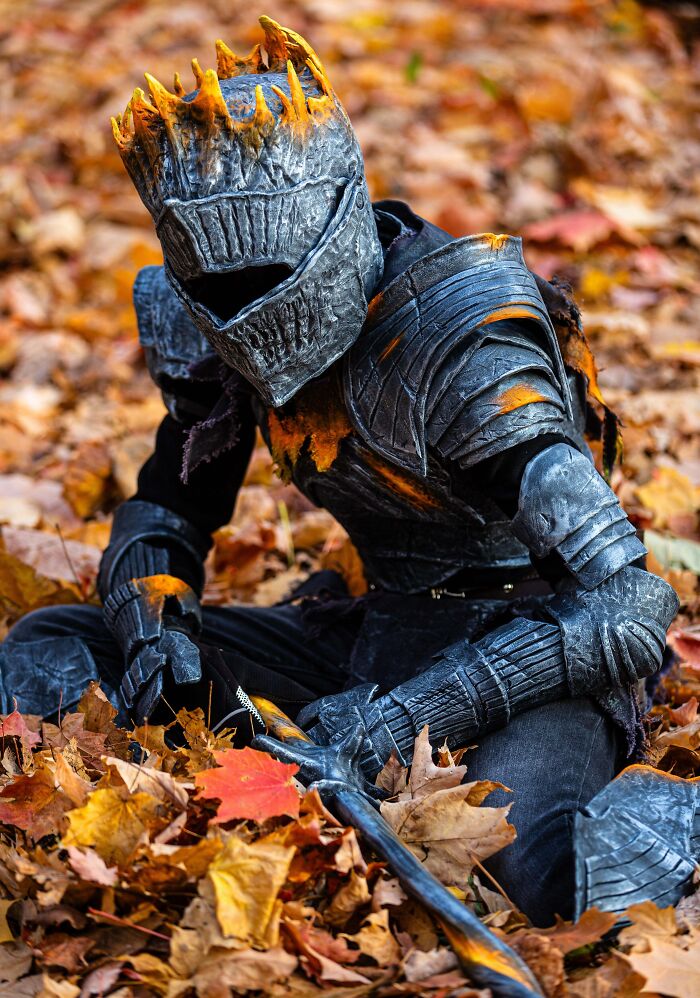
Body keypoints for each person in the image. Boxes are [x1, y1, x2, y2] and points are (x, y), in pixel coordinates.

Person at [0, 17, 678, 925]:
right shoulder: (200, 316)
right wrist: (158, 629)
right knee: (55, 649)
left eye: (268, 276)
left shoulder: (460, 335)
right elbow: (171, 507)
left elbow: (630, 607)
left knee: (554, 873)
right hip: (378, 630)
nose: (242, 315)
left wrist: (395, 721)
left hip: (534, 652)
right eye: (218, 288)